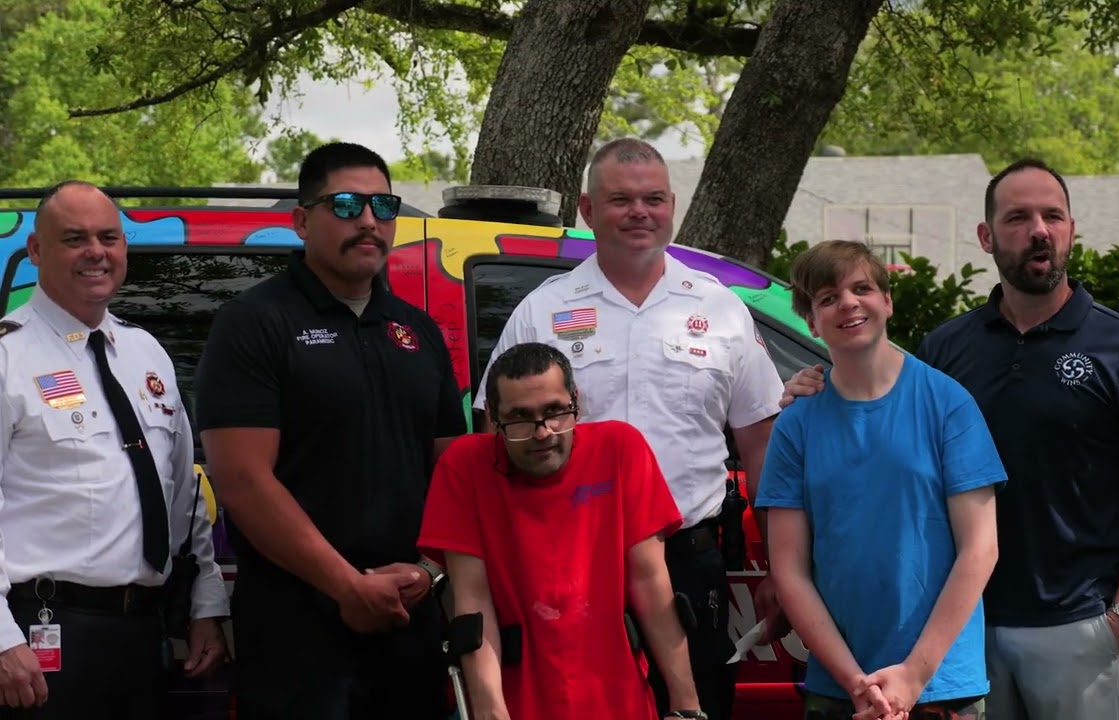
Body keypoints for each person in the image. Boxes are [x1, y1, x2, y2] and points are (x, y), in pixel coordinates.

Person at [781, 158, 1119, 720]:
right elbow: (882, 427)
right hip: (957, 634)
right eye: (1018, 217)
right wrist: (813, 387)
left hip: (1074, 627)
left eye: (1053, 215)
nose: (1039, 229)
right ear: (987, 236)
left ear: (1071, 229)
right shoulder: (947, 348)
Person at [474, 138, 785, 720]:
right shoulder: (543, 310)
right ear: (589, 211)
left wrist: (776, 568)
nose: (640, 212)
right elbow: (498, 436)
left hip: (690, 561)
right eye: (620, 199)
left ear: (671, 205)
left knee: (695, 709)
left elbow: (761, 443)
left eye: (654, 199)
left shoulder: (720, 309)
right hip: (569, 564)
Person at [195, 142, 467, 718]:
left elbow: (455, 474)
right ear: (300, 220)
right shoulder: (253, 323)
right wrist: (347, 586)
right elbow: (243, 480)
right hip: (298, 632)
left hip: (409, 618)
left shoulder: (418, 331)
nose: (368, 221)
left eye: (383, 206)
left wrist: (427, 569)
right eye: (345, 205)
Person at [0, 181, 228, 719]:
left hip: (140, 634)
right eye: (74, 238)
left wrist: (204, 604)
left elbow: (182, 492)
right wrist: (1, 639)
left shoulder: (147, 353)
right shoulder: (9, 357)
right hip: (41, 634)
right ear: (36, 251)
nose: (96, 252)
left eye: (109, 237)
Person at [756, 241, 1003, 720]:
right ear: (811, 322)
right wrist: (854, 682)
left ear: (887, 302)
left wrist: (913, 674)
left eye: (861, 288)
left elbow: (981, 549)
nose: (847, 303)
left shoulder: (948, 404)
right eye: (827, 298)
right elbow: (789, 571)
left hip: (940, 681)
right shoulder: (796, 423)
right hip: (839, 687)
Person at [419, 342, 704, 719]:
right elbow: (472, 602)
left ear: (576, 402)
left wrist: (686, 707)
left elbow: (652, 585)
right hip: (516, 697)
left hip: (618, 696)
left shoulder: (620, 448)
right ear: (492, 416)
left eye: (555, 412)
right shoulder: (465, 467)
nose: (542, 432)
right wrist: (490, 710)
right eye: (520, 418)